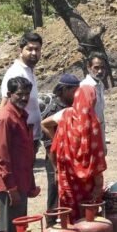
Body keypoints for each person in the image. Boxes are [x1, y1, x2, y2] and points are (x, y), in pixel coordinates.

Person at [50, 85, 107, 217]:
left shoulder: (66, 115)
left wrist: (56, 170)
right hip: (88, 180)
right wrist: (98, 184)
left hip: (67, 176)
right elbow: (96, 155)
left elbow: (54, 148)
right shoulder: (93, 123)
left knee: (69, 213)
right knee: (88, 215)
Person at [0, 77, 38, 232]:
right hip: (11, 184)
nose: (24, 98)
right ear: (9, 94)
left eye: (27, 94)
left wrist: (30, 183)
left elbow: (25, 154)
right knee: (11, 231)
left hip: (21, 181)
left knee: (18, 226)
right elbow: (2, 156)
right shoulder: (5, 118)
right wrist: (11, 188)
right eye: (19, 94)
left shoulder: (20, 116)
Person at [40, 74, 80, 224]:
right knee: (55, 193)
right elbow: (49, 144)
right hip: (55, 159)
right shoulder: (54, 109)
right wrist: (56, 168)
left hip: (68, 158)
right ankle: (51, 225)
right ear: (65, 90)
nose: (77, 95)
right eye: (74, 91)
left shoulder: (72, 106)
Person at [1, 32, 44, 143]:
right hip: (19, 137)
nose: (34, 53)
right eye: (29, 49)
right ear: (20, 51)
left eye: (37, 49)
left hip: (30, 136)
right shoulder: (16, 73)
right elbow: (5, 103)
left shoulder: (29, 70)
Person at [80, 53, 108, 149]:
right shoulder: (85, 86)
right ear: (89, 68)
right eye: (96, 67)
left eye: (103, 67)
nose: (100, 71)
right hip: (89, 134)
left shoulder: (100, 84)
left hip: (99, 131)